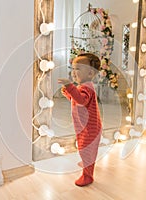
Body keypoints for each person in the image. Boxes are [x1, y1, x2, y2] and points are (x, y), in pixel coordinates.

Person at [58, 53, 102, 187]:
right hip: (84, 126)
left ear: (89, 73)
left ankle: (88, 175)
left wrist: (70, 87)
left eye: (78, 69)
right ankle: (86, 162)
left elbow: (81, 100)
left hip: (90, 128)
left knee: (85, 149)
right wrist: (68, 92)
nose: (73, 72)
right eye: (73, 68)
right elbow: (76, 100)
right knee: (83, 148)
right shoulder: (82, 87)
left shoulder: (86, 87)